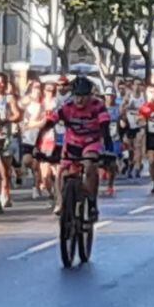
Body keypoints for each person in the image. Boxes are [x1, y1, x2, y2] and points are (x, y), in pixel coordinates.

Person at [42, 77, 113, 219]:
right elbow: (49, 124)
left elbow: (105, 128)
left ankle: (92, 202)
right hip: (72, 143)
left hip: (90, 142)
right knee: (61, 171)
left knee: (89, 166)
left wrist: (108, 149)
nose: (79, 100)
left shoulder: (98, 106)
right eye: (77, 96)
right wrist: (37, 146)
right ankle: (61, 202)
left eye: (83, 97)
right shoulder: (67, 107)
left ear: (90, 95)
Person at [0, 72, 21, 211]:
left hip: (5, 137)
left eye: (2, 82)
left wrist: (7, 120)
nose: (0, 85)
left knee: (5, 169)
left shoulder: (9, 99)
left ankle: (4, 192)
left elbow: (17, 114)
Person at [19, 81, 46, 200]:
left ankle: (36, 187)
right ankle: (37, 182)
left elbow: (45, 120)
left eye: (39, 88)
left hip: (40, 136)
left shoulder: (44, 104)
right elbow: (20, 104)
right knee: (26, 160)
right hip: (27, 137)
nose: (38, 90)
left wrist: (35, 124)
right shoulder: (27, 103)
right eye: (35, 88)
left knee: (36, 164)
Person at [101, 87, 121, 197]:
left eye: (111, 95)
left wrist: (123, 122)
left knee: (112, 164)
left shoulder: (118, 109)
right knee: (99, 163)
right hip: (102, 139)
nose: (109, 98)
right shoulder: (101, 109)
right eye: (107, 95)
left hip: (114, 139)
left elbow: (122, 123)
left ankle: (110, 186)